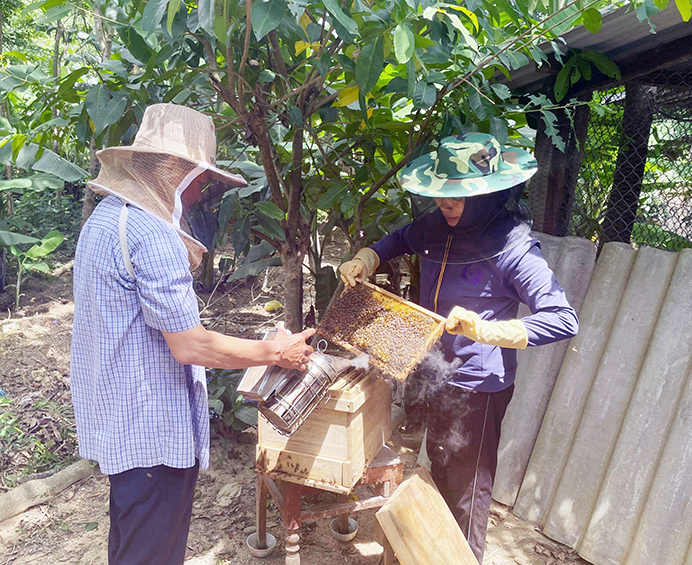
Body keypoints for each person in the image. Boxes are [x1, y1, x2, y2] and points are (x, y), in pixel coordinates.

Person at [69, 103, 316, 565]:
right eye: (200, 175)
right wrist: (273, 351)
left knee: (132, 545)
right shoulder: (150, 232)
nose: (204, 189)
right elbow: (190, 344)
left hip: (118, 419)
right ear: (172, 170)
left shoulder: (105, 218)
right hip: (150, 429)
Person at [339, 133, 579, 563]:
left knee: (467, 490)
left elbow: (563, 318)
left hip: (478, 387)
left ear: (486, 196)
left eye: (457, 198)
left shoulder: (515, 248)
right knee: (440, 464)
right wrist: (366, 258)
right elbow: (396, 241)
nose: (446, 204)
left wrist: (487, 331)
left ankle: (466, 556)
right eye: (441, 195)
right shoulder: (434, 225)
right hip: (434, 372)